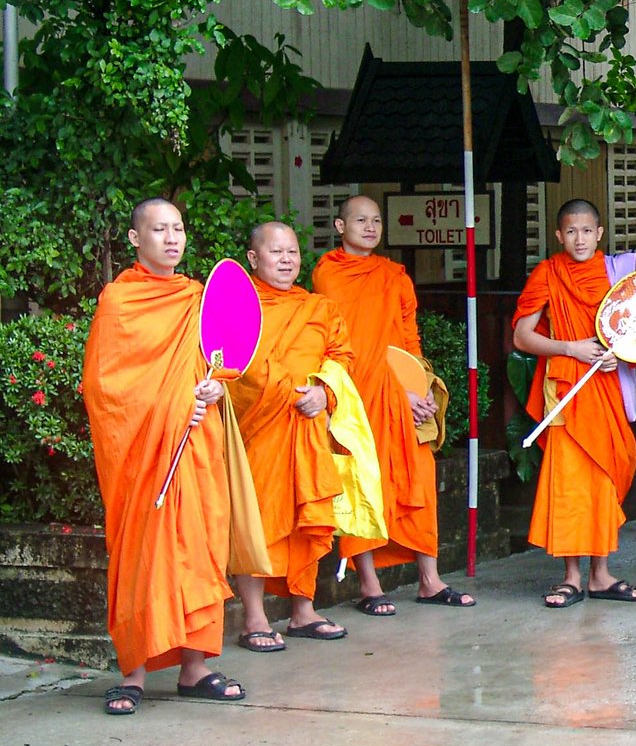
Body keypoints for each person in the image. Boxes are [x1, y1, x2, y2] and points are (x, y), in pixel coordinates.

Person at [82, 198, 244, 714]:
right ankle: (132, 673)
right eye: (159, 230)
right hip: (143, 455)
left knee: (198, 547)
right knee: (141, 555)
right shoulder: (119, 301)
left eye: (178, 229)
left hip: (194, 448)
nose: (172, 239)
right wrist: (176, 404)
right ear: (135, 240)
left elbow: (220, 364)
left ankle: (194, 667)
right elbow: (106, 388)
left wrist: (216, 390)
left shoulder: (199, 298)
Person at [312, 195, 474, 612]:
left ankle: (430, 580)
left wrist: (417, 389)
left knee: (418, 481)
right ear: (339, 226)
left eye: (376, 220)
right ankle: (369, 586)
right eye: (360, 220)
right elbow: (340, 346)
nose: (370, 227)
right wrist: (391, 390)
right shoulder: (329, 276)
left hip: (401, 397)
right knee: (363, 484)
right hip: (355, 397)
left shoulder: (394, 276)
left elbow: (408, 339)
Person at [512, 199, 636, 609]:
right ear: (558, 236)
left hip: (606, 387)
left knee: (604, 478)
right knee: (569, 486)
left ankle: (601, 574)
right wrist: (570, 347)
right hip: (567, 390)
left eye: (587, 231)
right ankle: (570, 577)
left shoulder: (617, 274)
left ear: (600, 233)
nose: (580, 239)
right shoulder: (548, 273)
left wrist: (617, 354)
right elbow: (522, 336)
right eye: (571, 232)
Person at [230, 222, 354, 648]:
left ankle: (304, 611)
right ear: (253, 258)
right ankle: (255, 618)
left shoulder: (318, 308)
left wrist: (324, 392)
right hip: (260, 426)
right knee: (258, 521)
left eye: (292, 253)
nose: (286, 261)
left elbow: (341, 359)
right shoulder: (237, 304)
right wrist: (286, 391)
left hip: (307, 427)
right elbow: (228, 364)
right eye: (276, 253)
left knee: (309, 517)